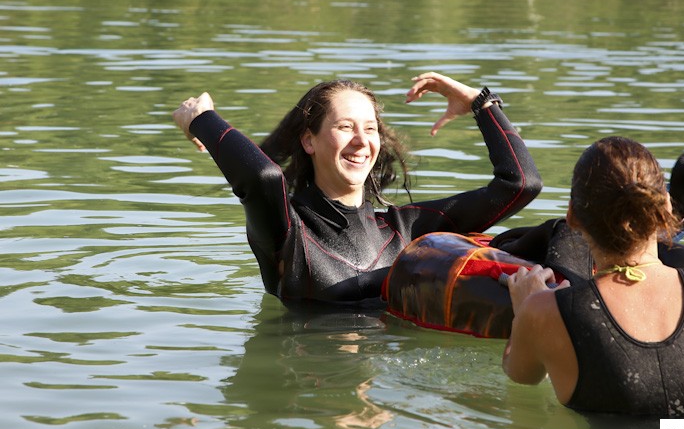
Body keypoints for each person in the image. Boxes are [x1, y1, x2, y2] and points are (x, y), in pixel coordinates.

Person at [172, 72, 542, 307]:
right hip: (308, 387)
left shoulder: (406, 229)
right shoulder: (288, 231)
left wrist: (482, 103)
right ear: (308, 141)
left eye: (370, 129)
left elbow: (520, 184)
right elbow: (263, 177)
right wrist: (200, 118)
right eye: (345, 127)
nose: (361, 142)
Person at [502, 136, 684, 418]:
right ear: (667, 209)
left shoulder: (544, 311)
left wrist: (525, 309)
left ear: (572, 217)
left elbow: (522, 376)